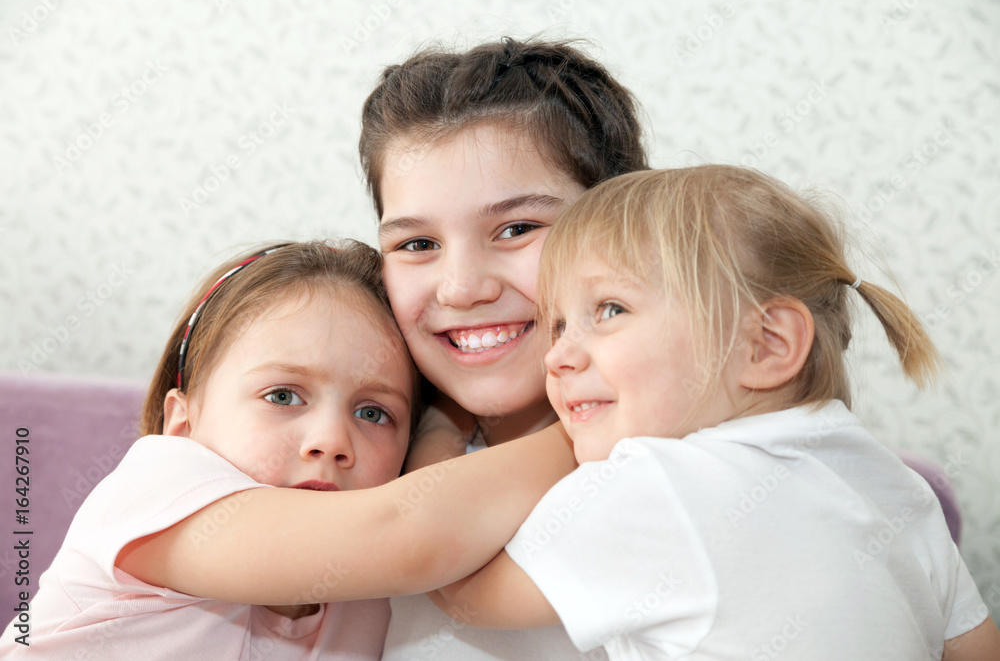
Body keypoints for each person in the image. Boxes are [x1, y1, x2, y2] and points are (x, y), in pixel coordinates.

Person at [428, 166, 1000, 659]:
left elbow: (459, 587)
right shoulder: (901, 487)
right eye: (558, 324)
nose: (556, 356)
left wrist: (436, 424)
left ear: (766, 345)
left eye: (609, 309)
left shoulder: (654, 482)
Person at [0, 240, 577, 659]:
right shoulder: (154, 490)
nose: (331, 441)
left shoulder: (365, 597)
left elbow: (427, 518)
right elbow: (411, 532)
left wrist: (442, 427)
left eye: (374, 413)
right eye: (282, 395)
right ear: (181, 421)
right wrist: (589, 426)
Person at [360, 35, 647, 659]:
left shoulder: (687, 470)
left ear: (628, 225)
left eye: (517, 229)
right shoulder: (351, 455)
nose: (462, 289)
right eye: (416, 244)